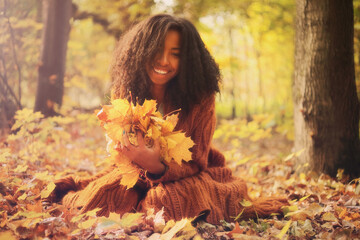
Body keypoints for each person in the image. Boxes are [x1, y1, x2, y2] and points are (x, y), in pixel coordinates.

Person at [49, 14, 288, 224]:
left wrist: (157, 166)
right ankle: (134, 208)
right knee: (101, 199)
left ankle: (143, 212)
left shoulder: (201, 97)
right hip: (134, 173)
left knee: (165, 202)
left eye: (175, 54)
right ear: (141, 51)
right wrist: (126, 151)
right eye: (157, 50)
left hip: (188, 174)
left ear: (188, 60)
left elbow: (196, 162)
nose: (164, 61)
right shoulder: (126, 89)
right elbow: (119, 151)